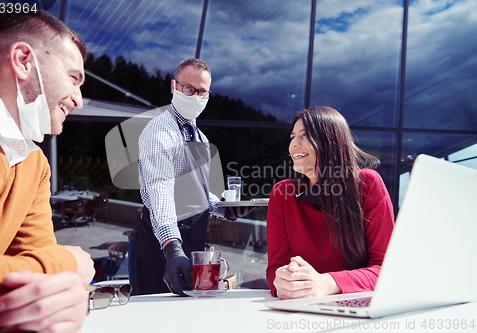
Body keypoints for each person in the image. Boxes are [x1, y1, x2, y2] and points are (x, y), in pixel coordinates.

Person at [0, 9, 94, 332]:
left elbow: (42, 298)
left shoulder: (34, 164)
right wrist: (70, 264)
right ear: (23, 60)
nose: (79, 100)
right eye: (74, 78)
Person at [131, 58, 254, 296]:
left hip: (193, 240)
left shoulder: (201, 139)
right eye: (188, 88)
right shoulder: (159, 131)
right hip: (162, 244)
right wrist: (171, 247)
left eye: (202, 92)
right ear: (173, 87)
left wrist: (223, 209)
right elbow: (160, 190)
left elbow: (198, 190)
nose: (195, 96)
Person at [266, 106, 395, 300]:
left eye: (304, 135)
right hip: (299, 307)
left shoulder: (368, 184)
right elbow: (276, 268)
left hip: (356, 305)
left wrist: (326, 283)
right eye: (292, 137)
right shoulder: (282, 194)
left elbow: (386, 270)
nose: (293, 144)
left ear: (331, 141)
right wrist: (283, 282)